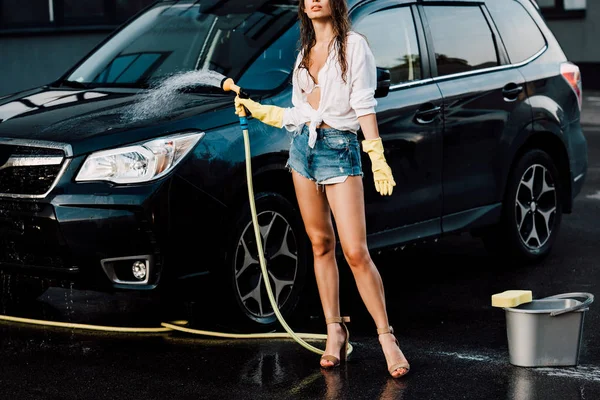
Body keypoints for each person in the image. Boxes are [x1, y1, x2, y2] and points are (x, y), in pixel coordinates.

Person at [233, 0, 409, 378]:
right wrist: (260, 110)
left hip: (340, 151)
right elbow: (301, 112)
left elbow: (363, 104)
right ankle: (334, 332)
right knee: (319, 245)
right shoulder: (303, 52)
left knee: (355, 251)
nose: (314, 0)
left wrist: (376, 155)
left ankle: (386, 337)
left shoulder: (353, 46)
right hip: (302, 152)